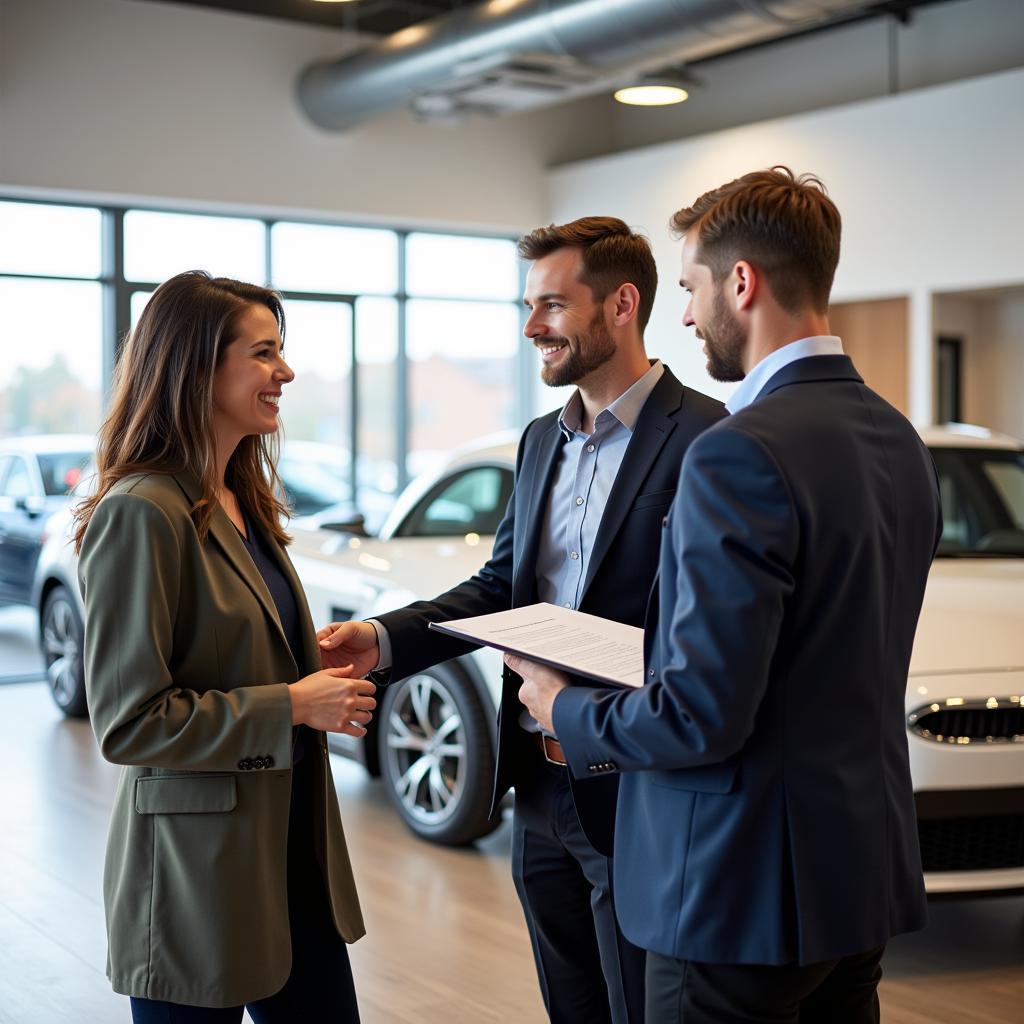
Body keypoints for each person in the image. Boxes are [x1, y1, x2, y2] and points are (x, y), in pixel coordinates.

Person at [513, 168, 943, 1023]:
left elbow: (698, 717)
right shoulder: (899, 438)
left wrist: (562, 709)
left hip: (729, 889)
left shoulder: (734, 452)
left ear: (739, 283)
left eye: (690, 287)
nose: (683, 314)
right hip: (856, 881)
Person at [318, 216, 724, 1024]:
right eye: (528, 305)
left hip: (642, 788)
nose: (531, 326)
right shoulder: (540, 440)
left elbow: (705, 633)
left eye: (550, 304)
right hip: (537, 787)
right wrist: (385, 638)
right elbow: (503, 586)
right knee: (569, 1002)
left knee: (642, 1007)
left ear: (621, 305)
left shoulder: (709, 438)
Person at [74, 271, 375, 1023]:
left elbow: (228, 640)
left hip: (291, 857)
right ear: (197, 366)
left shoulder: (245, 498)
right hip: (195, 877)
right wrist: (291, 705)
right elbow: (130, 720)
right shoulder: (141, 511)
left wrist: (304, 656)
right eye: (265, 353)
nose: (287, 372)